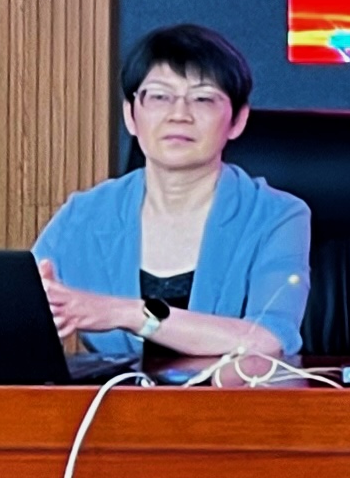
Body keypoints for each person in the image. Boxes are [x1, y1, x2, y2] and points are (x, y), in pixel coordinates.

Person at [35, 24, 310, 386]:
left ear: (238, 120)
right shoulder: (84, 215)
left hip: (231, 409)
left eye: (203, 99)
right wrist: (39, 316)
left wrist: (128, 313)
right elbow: (20, 317)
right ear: (131, 115)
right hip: (106, 410)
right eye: (160, 97)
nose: (179, 114)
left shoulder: (277, 216)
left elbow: (269, 339)